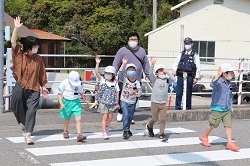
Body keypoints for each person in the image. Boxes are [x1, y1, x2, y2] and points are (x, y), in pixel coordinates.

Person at [10, 16, 49, 145]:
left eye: (37, 46)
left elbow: (42, 73)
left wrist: (43, 86)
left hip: (34, 88)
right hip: (21, 86)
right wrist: (16, 29)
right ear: (28, 47)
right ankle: (23, 123)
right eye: (34, 46)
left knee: (32, 110)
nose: (36, 48)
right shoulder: (19, 55)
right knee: (16, 105)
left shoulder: (39, 59)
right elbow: (13, 43)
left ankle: (28, 133)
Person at [199, 63, 240, 151]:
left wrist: (231, 105)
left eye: (232, 73)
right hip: (217, 107)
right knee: (213, 124)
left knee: (228, 125)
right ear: (224, 73)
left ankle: (229, 143)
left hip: (227, 108)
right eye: (230, 73)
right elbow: (212, 84)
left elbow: (230, 95)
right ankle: (204, 136)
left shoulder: (229, 83)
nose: (232, 75)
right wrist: (218, 75)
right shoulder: (218, 82)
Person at [113, 32, 150, 123]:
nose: (133, 41)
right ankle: (121, 112)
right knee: (123, 96)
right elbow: (116, 63)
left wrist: (149, 76)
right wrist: (113, 74)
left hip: (136, 79)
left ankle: (130, 115)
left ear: (138, 41)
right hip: (124, 79)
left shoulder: (142, 51)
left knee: (134, 97)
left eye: (135, 40)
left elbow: (146, 64)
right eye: (131, 39)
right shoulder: (122, 50)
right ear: (128, 40)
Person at [146, 57, 176, 141]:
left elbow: (173, 79)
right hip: (155, 102)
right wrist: (152, 64)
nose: (162, 72)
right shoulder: (155, 79)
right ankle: (149, 126)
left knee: (162, 119)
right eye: (160, 70)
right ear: (157, 73)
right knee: (155, 119)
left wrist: (168, 72)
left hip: (163, 103)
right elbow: (150, 74)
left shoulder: (167, 80)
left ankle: (162, 133)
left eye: (163, 70)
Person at [57, 71, 89, 142]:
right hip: (66, 102)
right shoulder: (64, 82)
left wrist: (84, 99)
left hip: (76, 102)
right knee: (67, 118)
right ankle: (65, 131)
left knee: (79, 118)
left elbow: (81, 92)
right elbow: (59, 93)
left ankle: (79, 135)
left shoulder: (79, 83)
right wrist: (61, 103)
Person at [95, 56, 120, 139]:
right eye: (106, 73)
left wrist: (117, 103)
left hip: (112, 102)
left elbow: (117, 93)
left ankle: (106, 127)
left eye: (109, 74)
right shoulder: (102, 80)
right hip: (103, 102)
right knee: (104, 117)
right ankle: (104, 132)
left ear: (113, 74)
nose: (107, 75)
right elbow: (96, 73)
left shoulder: (115, 83)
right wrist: (97, 63)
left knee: (110, 118)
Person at [172, 37, 200, 110]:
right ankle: (177, 107)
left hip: (190, 76)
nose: (187, 45)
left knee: (188, 93)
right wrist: (174, 70)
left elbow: (198, 67)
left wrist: (196, 77)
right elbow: (176, 63)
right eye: (186, 43)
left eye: (188, 43)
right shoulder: (181, 54)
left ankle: (188, 107)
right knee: (179, 92)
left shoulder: (195, 55)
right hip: (180, 75)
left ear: (192, 44)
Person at [118, 57, 142, 139]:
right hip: (124, 100)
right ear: (126, 71)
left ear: (135, 71)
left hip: (132, 101)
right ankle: (125, 130)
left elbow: (139, 91)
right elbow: (119, 73)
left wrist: (139, 94)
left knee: (130, 116)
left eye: (132, 70)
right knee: (125, 114)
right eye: (129, 70)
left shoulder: (137, 82)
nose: (131, 71)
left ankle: (128, 129)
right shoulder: (124, 80)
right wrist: (123, 63)